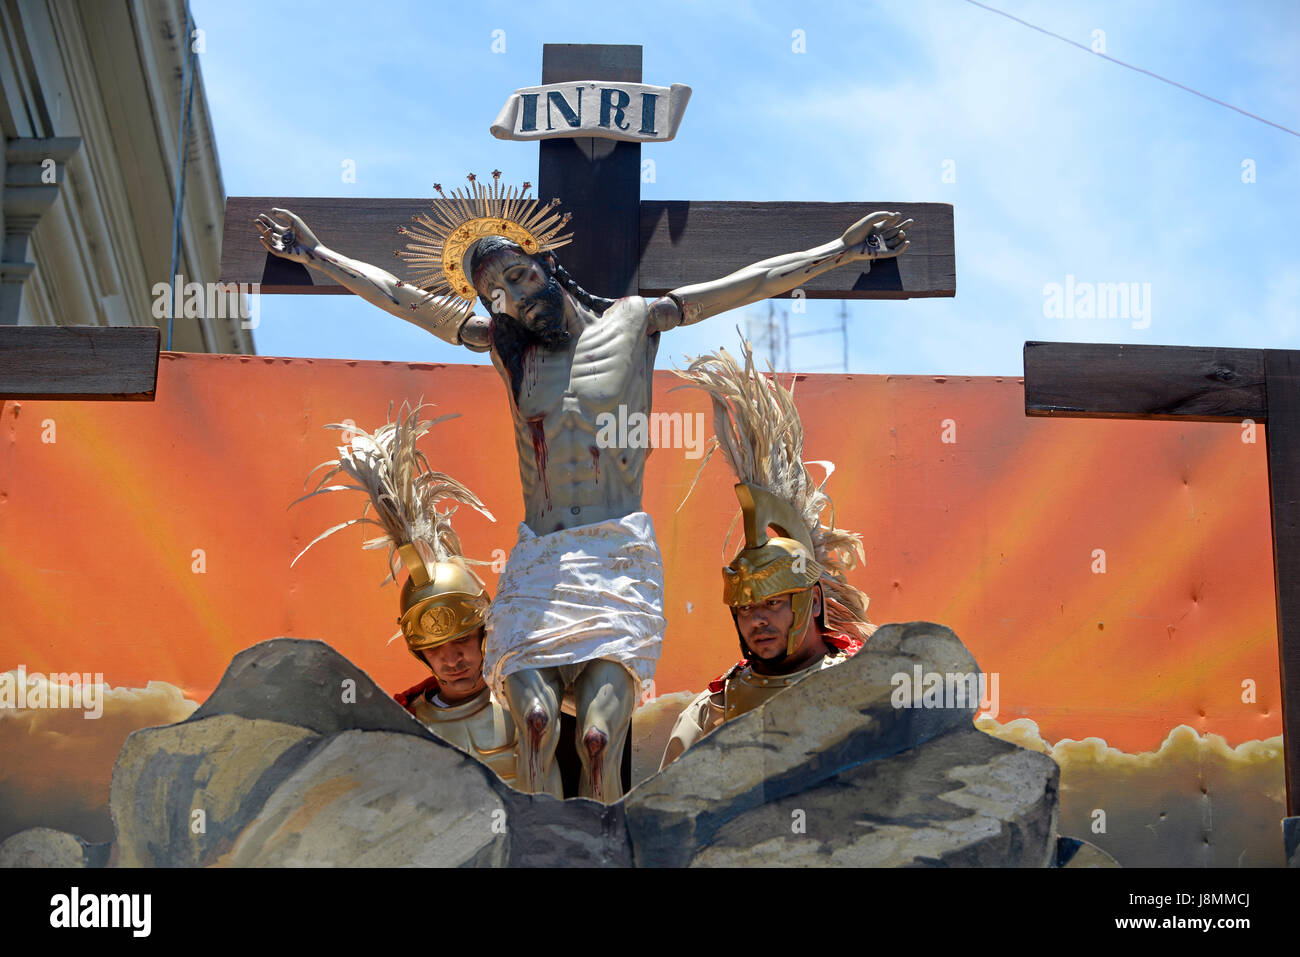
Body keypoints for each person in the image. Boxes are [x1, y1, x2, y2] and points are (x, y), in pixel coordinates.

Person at [258, 173, 910, 801]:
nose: (511, 297)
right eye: (495, 294)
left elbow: (746, 283)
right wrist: (317, 254)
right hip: (540, 557)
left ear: (543, 262)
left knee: (598, 737)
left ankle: (606, 842)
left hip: (614, 558)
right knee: (537, 725)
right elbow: (411, 302)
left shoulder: (634, 322)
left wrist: (841, 251)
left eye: (517, 276)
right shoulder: (511, 350)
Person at [660, 345, 874, 768]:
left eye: (773, 603)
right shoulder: (713, 710)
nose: (757, 621)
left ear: (812, 601)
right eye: (746, 609)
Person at [292, 402, 516, 784]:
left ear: (485, 631)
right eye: (435, 648)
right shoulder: (401, 724)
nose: (451, 659)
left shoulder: (531, 699)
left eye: (460, 638)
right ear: (419, 652)